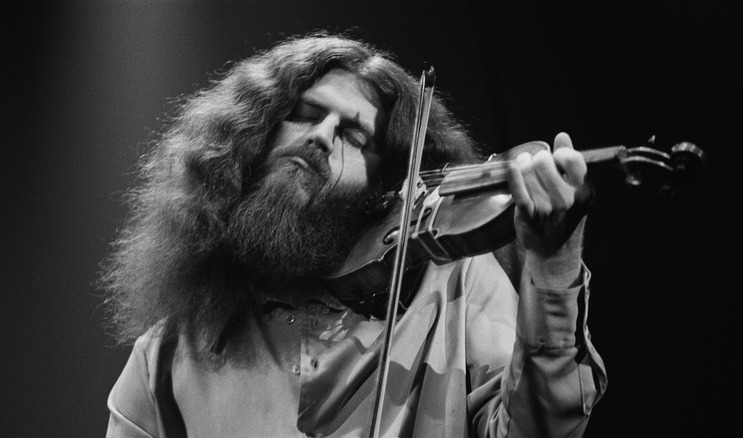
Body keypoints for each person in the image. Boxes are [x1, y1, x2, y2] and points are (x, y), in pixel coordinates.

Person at [100, 33, 607, 438]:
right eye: (303, 114)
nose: (320, 137)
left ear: (385, 182)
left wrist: (553, 262)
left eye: (353, 135)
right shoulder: (169, 349)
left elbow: (538, 429)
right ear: (256, 134)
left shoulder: (453, 286)